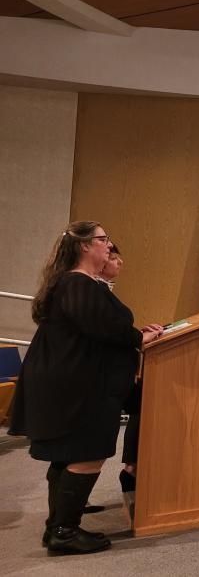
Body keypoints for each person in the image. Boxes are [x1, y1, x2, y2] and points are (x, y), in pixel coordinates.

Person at [8, 222, 163, 555]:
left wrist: (135, 335)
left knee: (69, 454)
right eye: (103, 239)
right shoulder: (77, 283)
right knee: (86, 451)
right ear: (84, 247)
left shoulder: (80, 284)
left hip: (76, 380)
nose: (109, 245)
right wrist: (139, 337)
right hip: (78, 384)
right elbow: (100, 327)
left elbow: (99, 326)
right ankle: (64, 531)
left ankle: (59, 527)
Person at [97, 244, 140, 522]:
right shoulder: (88, 289)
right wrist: (136, 337)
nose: (119, 261)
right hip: (100, 376)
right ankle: (132, 470)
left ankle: (133, 469)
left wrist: (137, 334)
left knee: (144, 399)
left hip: (112, 371)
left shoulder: (102, 290)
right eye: (112, 256)